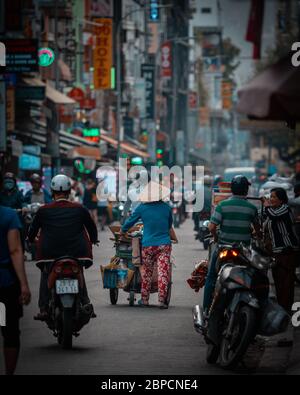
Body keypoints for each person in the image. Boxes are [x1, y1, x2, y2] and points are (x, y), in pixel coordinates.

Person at [27, 175, 98, 319]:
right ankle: (85, 302)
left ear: (52, 192)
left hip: (49, 253)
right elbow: (91, 227)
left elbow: (32, 230)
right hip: (77, 252)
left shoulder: (43, 210)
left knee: (46, 274)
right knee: (79, 272)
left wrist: (30, 239)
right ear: (69, 191)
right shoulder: (79, 208)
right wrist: (94, 239)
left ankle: (43, 308)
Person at [204, 176, 261, 315]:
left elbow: (211, 227)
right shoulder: (252, 208)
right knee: (254, 275)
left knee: (211, 277)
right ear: (246, 190)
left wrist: (217, 238)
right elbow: (258, 230)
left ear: (232, 189)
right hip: (244, 252)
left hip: (224, 248)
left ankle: (206, 309)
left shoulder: (222, 205)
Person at [121, 181, 178, 309]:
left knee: (146, 272)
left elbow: (130, 221)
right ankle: (162, 301)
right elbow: (169, 226)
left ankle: (145, 300)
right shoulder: (166, 208)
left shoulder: (142, 208)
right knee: (163, 272)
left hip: (148, 245)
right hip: (164, 245)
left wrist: (123, 230)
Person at [0, 204, 31, 375]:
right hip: (5, 284)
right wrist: (24, 285)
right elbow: (15, 250)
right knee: (9, 332)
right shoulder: (8, 215)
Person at [263, 188, 299, 313]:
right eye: (270, 197)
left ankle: (286, 309)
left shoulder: (285, 209)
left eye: (274, 197)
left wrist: (266, 205)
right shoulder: (273, 210)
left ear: (281, 199)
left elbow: (273, 215)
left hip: (287, 250)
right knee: (278, 280)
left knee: (286, 282)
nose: (271, 199)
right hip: (277, 252)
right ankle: (282, 308)